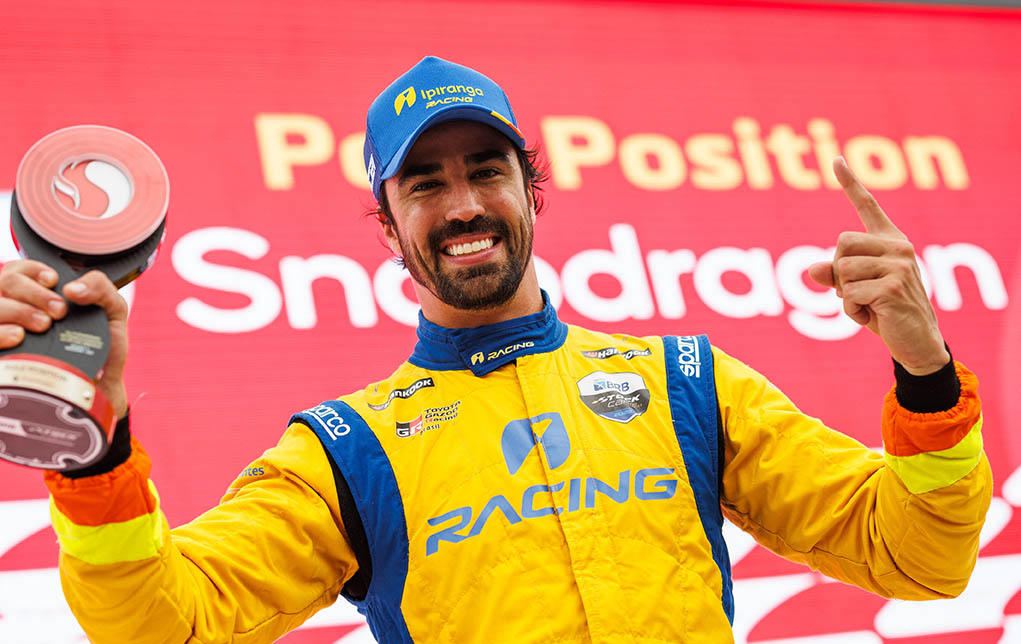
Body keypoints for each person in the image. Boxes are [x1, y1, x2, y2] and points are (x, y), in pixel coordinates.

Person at [0, 56, 990, 643]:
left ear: (533, 191)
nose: (464, 202)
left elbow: (922, 556)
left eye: (487, 169)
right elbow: (164, 620)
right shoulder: (346, 448)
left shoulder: (684, 381)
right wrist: (96, 450)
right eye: (425, 183)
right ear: (387, 227)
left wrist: (924, 367)